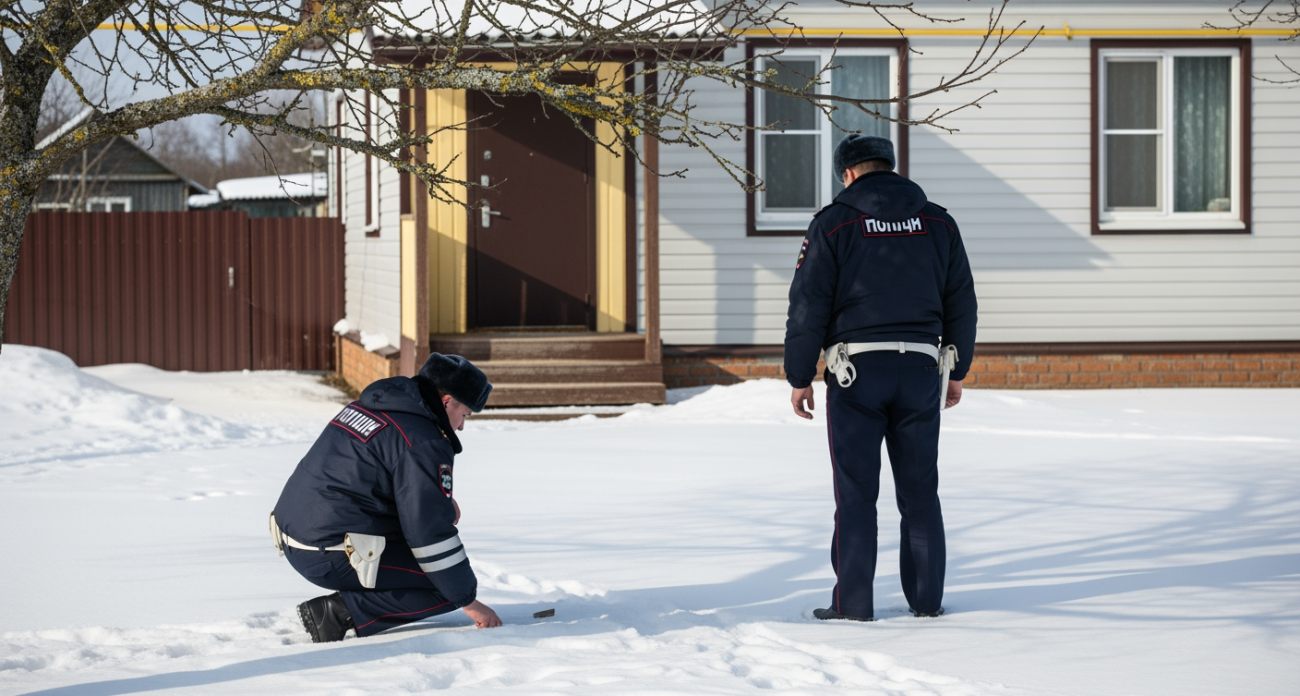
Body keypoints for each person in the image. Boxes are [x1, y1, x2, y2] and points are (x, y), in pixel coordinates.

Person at [784, 134, 977, 622]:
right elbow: (962, 302)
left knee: (855, 492)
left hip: (856, 372)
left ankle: (853, 605)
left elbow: (808, 306)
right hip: (919, 369)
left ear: (847, 174)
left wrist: (800, 373)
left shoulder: (834, 223)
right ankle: (927, 601)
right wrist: (958, 371)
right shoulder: (938, 222)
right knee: (919, 492)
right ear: (889, 167)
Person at [270, 353, 501, 642]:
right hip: (327, 551)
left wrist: (434, 498)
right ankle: (339, 613)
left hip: (295, 532)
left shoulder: (372, 406)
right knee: (445, 584)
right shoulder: (423, 440)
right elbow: (429, 533)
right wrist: (470, 602)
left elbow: (367, 478)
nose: (462, 426)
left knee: (439, 571)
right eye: (464, 415)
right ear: (446, 401)